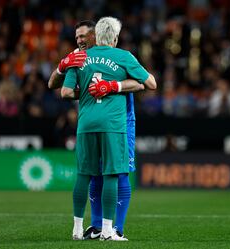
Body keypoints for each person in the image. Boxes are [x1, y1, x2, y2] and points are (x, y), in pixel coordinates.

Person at [49, 19, 156, 240]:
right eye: (76, 36)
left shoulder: (85, 58)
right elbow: (148, 83)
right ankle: (101, 227)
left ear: (95, 36)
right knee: (108, 173)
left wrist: (109, 86)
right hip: (113, 123)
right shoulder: (89, 56)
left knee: (104, 173)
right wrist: (62, 65)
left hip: (112, 120)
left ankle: (113, 227)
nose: (79, 40)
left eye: (83, 36)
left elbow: (139, 84)